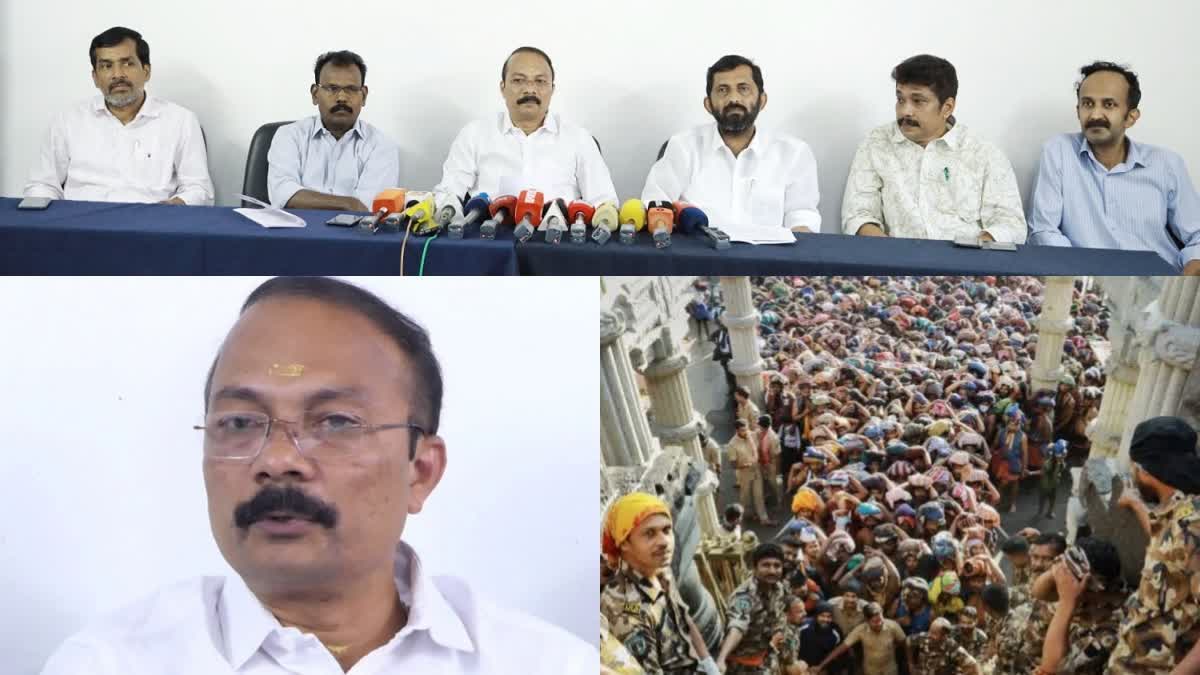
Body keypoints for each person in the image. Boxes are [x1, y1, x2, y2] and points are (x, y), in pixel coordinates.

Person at [39, 277, 594, 674]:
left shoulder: (545, 663)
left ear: (420, 471)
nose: (277, 460)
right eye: (238, 422)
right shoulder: (112, 662)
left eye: (335, 422)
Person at [1028, 61, 1200, 274]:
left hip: (1161, 281)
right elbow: (1043, 231)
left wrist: (1184, 281)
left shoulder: (1167, 164)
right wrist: (1083, 276)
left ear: (1131, 117)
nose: (1095, 115)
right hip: (1088, 279)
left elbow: (1197, 236)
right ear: (1077, 110)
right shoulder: (1058, 152)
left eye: (1108, 104)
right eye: (1088, 104)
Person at [841, 55, 1026, 243]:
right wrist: (892, 255)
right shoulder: (876, 144)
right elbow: (858, 215)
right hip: (895, 263)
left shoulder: (983, 153)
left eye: (918, 101)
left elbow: (1011, 224)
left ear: (947, 107)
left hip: (969, 264)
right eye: (900, 99)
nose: (905, 111)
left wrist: (975, 251)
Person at [23, 26, 213, 206]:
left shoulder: (181, 121)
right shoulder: (68, 121)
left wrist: (175, 206)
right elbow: (42, 185)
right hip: (81, 226)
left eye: (128, 63)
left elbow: (198, 189)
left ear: (146, 71)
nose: (117, 74)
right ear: (95, 77)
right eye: (106, 66)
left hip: (151, 227)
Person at [642, 54, 821, 233]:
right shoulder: (683, 146)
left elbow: (802, 214)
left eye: (743, 89)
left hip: (770, 258)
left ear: (762, 100)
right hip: (698, 257)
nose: (733, 98)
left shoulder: (794, 153)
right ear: (708, 105)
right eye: (722, 90)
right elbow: (655, 202)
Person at [433, 46, 617, 205]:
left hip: (559, 241)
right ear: (502, 87)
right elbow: (447, 195)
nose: (530, 89)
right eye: (518, 80)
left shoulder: (579, 139)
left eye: (540, 81)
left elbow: (604, 202)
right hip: (489, 239)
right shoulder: (474, 135)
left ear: (552, 89)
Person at [1108, 417, 1200, 673]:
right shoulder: (1182, 510)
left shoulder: (1193, 524)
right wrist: (1137, 504)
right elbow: (1171, 547)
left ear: (1145, 470)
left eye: (1134, 469)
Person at [601, 492, 720, 675]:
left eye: (666, 530)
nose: (664, 542)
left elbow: (685, 618)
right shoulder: (625, 609)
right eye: (649, 534)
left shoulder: (660, 570)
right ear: (624, 543)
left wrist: (707, 662)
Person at [266, 50, 401, 211]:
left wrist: (306, 199)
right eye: (332, 88)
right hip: (293, 233)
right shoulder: (289, 136)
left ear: (363, 96)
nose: (342, 98)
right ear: (315, 94)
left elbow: (367, 207)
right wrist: (348, 203)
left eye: (351, 89)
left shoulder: (381, 146)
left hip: (353, 235)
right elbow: (282, 194)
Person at [1034, 537, 1125, 674]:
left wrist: (1067, 603)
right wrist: (1058, 569)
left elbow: (1051, 670)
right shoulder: (1089, 600)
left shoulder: (1108, 634)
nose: (1063, 582)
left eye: (1067, 579)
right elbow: (1039, 593)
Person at [715, 543, 790, 674]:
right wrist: (721, 659)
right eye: (766, 565)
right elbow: (738, 627)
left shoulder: (780, 588)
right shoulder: (745, 596)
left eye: (777, 566)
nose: (772, 571)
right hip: (741, 665)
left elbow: (782, 610)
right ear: (755, 568)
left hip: (765, 657)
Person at [815, 601, 905, 675]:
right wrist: (820, 666)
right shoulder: (860, 630)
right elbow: (841, 648)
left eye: (880, 620)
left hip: (890, 670)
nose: (879, 624)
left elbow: (904, 643)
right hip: (871, 671)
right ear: (867, 620)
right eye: (874, 622)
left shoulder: (893, 626)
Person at [729, 420, 772, 525]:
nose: (746, 432)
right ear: (737, 431)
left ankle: (764, 518)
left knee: (759, 495)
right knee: (745, 496)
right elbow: (733, 465)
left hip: (756, 470)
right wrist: (745, 465)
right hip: (744, 474)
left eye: (746, 429)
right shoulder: (732, 444)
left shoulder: (752, 435)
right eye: (743, 430)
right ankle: (743, 515)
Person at [797, 602, 846, 674]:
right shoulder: (804, 627)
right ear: (816, 616)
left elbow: (837, 654)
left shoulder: (836, 633)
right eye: (822, 616)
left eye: (829, 617)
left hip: (823, 669)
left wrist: (821, 668)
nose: (825, 619)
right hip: (801, 667)